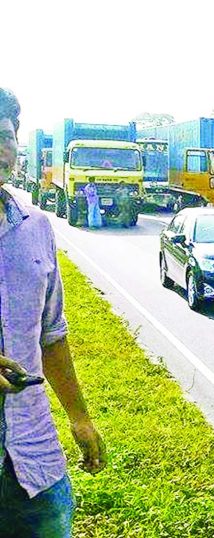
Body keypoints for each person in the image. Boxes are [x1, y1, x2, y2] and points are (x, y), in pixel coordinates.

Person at [0, 87, 107, 537]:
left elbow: (52, 335)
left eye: (4, 135)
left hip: (32, 457)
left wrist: (79, 418)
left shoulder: (36, 228)